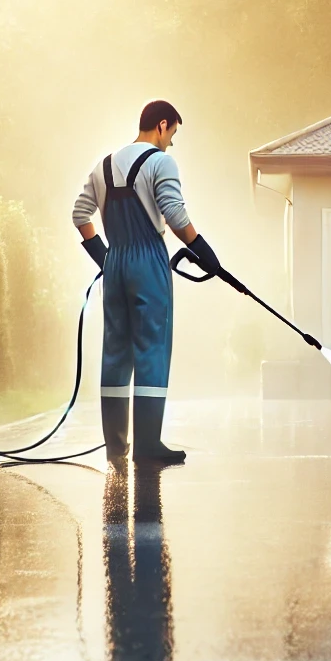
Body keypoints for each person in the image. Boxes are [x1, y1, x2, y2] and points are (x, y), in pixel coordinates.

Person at [72, 99, 223, 465]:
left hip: (117, 262)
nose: (170, 143)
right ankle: (148, 445)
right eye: (172, 134)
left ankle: (115, 447)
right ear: (162, 125)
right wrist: (205, 252)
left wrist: (106, 259)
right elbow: (173, 214)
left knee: (116, 351)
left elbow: (80, 215)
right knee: (152, 347)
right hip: (148, 262)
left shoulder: (103, 166)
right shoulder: (160, 162)